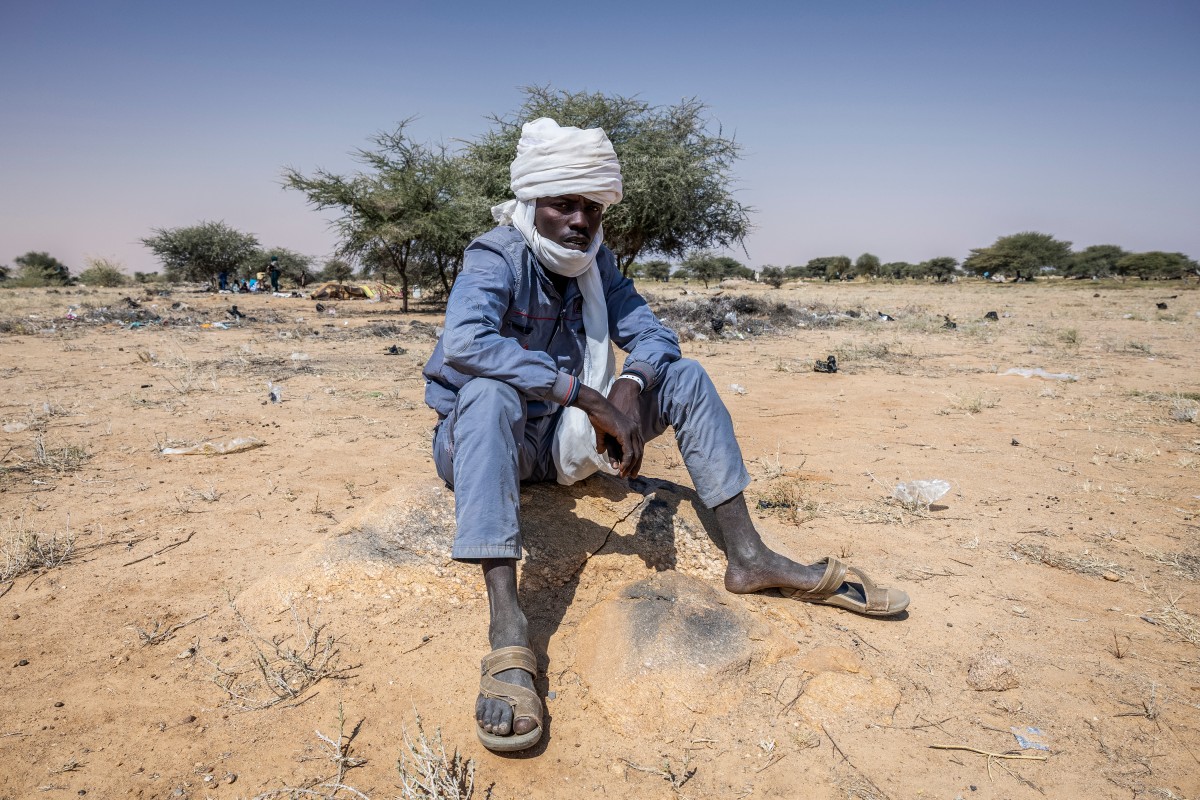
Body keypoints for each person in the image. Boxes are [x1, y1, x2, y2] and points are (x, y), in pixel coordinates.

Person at [422, 118, 908, 753]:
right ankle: (509, 628)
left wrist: (628, 384)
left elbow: (653, 334)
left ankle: (749, 557)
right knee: (487, 392)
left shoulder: (599, 264)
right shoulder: (497, 255)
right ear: (530, 201)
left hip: (565, 439)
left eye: (591, 207)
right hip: (490, 443)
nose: (579, 220)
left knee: (684, 377)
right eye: (563, 203)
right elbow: (464, 345)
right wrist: (583, 393)